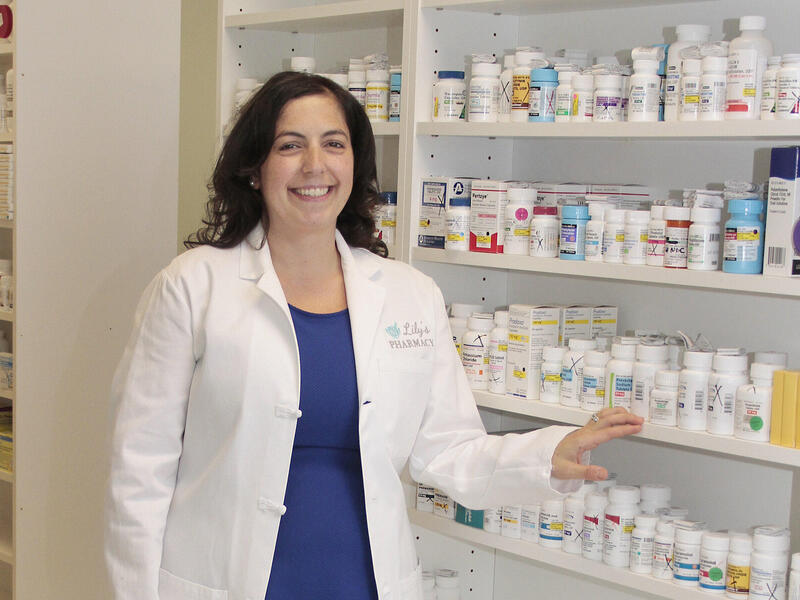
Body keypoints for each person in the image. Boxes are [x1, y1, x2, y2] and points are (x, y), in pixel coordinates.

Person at [105, 71, 643, 600]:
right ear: (254, 169)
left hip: (363, 583)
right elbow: (139, 470)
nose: (314, 165)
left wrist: (545, 454)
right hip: (225, 581)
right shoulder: (192, 287)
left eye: (333, 144)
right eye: (290, 145)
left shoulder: (410, 293)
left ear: (354, 163)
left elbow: (448, 450)